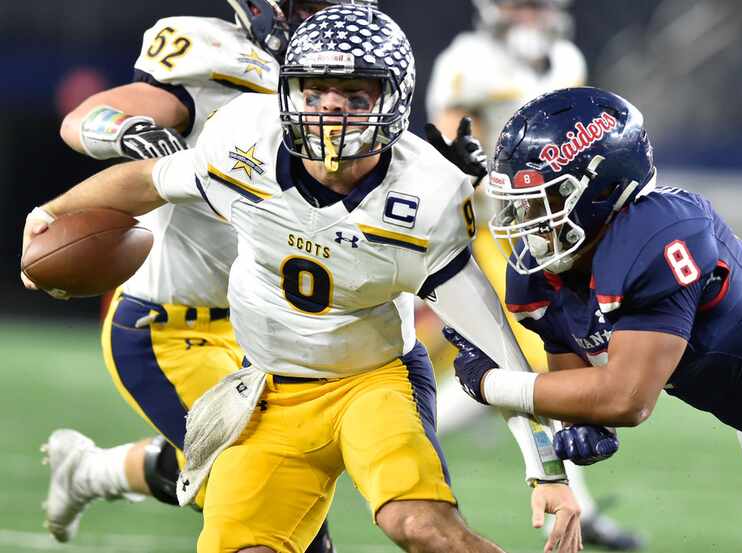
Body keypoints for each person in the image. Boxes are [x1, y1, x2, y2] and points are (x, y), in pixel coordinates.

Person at [23, 5, 589, 553]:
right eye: (314, 93)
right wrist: (52, 212)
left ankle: (93, 471)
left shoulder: (430, 195)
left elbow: (496, 346)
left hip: (372, 377)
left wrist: (546, 471)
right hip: (263, 377)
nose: (330, 112)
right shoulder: (245, 133)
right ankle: (93, 471)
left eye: (354, 96)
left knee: (419, 525)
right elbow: (143, 176)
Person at [42, 1, 375, 549]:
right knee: (274, 500)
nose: (329, 18)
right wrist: (129, 133)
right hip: (168, 328)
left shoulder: (348, 81)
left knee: (254, 473)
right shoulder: (216, 54)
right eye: (316, 4)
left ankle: (88, 471)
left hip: (260, 331)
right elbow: (86, 116)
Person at [444, 86, 742, 553]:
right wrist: (580, 428)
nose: (528, 222)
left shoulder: (660, 233)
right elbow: (579, 388)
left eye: (543, 201)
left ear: (601, 190)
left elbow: (626, 399)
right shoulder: (546, 275)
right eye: (521, 204)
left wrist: (491, 384)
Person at [426, 2, 642, 549]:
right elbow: (452, 144)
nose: (532, 14)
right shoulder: (468, 58)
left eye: (539, 3)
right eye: (522, 3)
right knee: (527, 358)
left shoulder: (565, 58)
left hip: (552, 229)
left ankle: (411, 429)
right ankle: (575, 501)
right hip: (491, 228)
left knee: (516, 360)